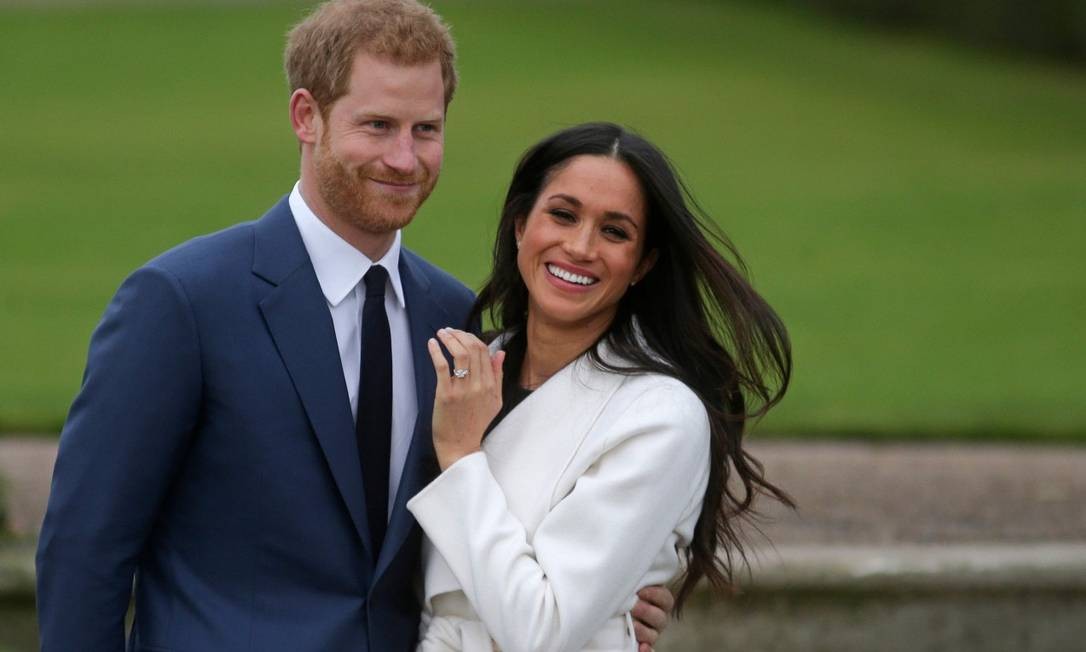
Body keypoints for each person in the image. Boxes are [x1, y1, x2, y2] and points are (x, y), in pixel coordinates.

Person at [34, 2, 670, 651]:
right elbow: (85, 554)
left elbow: (497, 519)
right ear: (305, 116)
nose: (404, 158)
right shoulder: (182, 303)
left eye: (425, 129)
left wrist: (611, 600)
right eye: (378, 125)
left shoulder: (460, 322)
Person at [403, 122, 794, 651]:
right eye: (562, 215)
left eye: (615, 232)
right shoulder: (471, 369)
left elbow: (544, 630)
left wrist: (461, 457)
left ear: (642, 264)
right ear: (521, 225)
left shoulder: (659, 415)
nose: (580, 246)